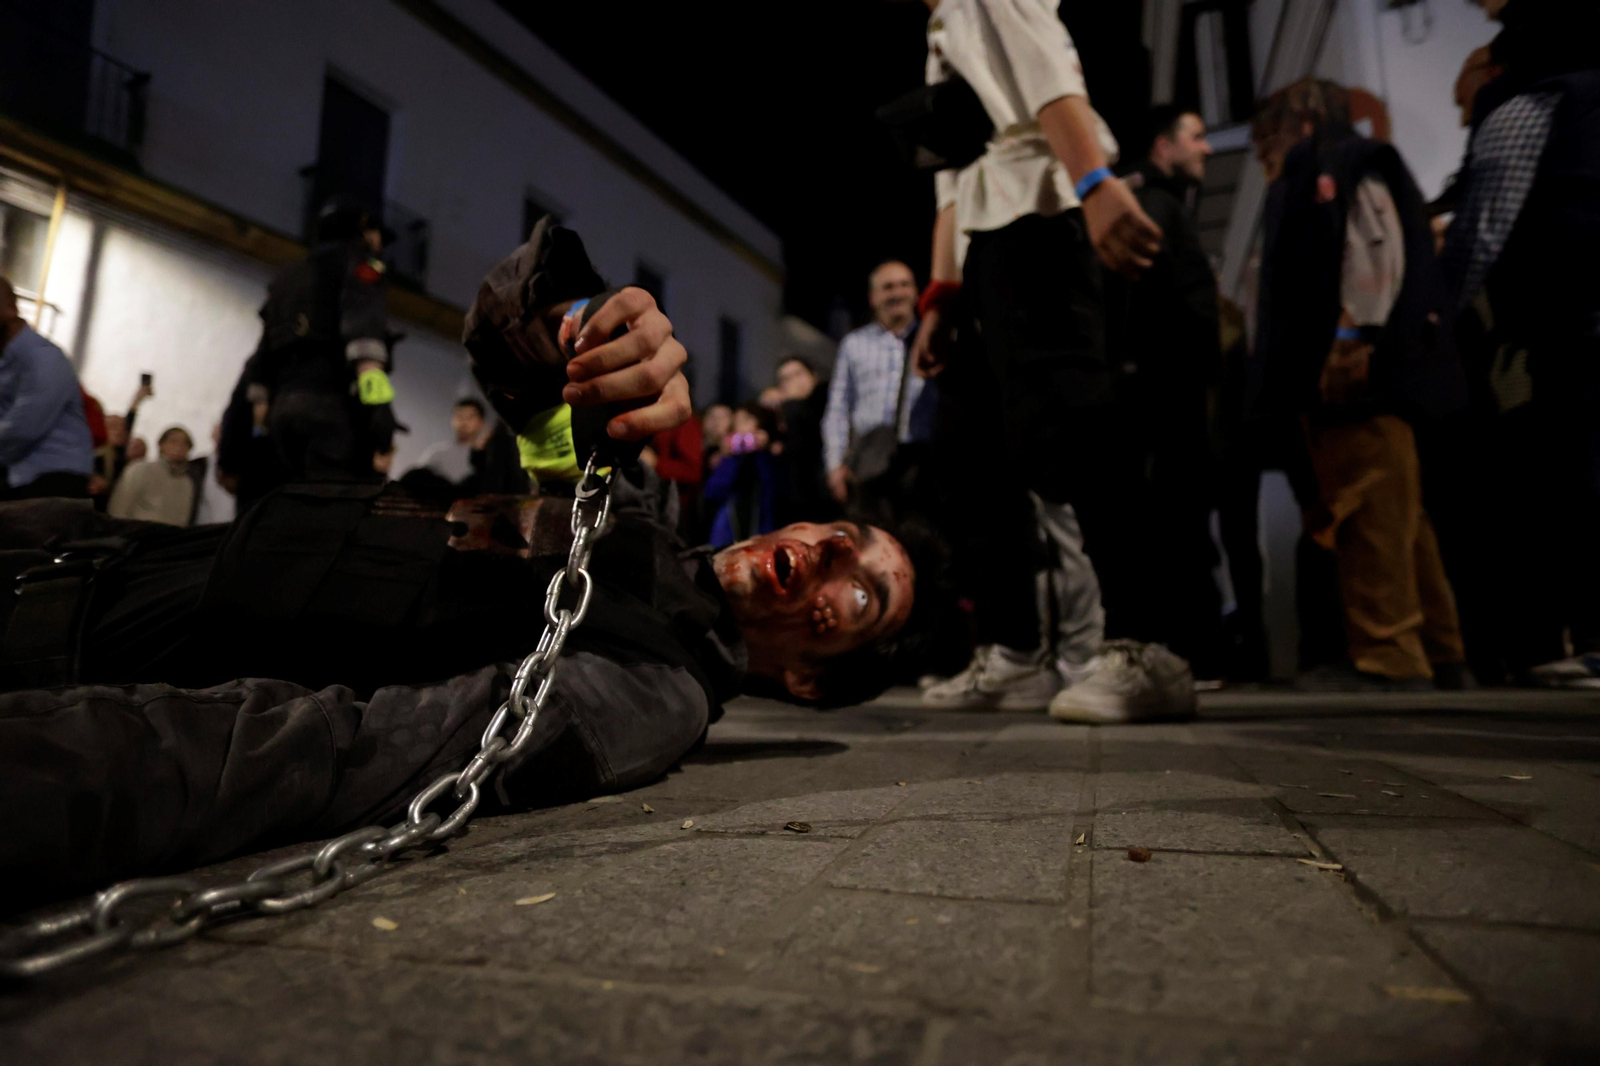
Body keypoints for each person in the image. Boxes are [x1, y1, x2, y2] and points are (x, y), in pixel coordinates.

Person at [0, 222, 922, 906]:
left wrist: (53, 769)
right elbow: (505, 333)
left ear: (807, 677)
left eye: (865, 591)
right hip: (84, 541)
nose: (838, 548)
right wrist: (584, 325)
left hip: (78, 647)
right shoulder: (631, 512)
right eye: (847, 531)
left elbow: (339, 752)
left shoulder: (655, 694)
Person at [904, 0, 1192, 721]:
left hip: (1041, 213)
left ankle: (1146, 646)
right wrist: (941, 294)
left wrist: (1093, 183)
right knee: (967, 449)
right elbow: (953, 172)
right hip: (984, 238)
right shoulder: (940, 21)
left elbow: (1048, 73)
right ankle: (1013, 652)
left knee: (1072, 428)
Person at [1249, 79, 1469, 691]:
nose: (1263, 150)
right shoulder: (1349, 163)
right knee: (1400, 516)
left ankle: (1388, 656)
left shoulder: (1336, 164)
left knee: (1366, 510)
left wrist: (1351, 336)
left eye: (1269, 134)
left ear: (1303, 122)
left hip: (1355, 374)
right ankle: (1439, 650)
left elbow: (1371, 248)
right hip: (1375, 375)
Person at [1437, 17, 1600, 686]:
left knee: (1577, 474)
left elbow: (1482, 233)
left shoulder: (1523, 110)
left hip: (1570, 319)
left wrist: (1430, 315)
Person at [1099, 105, 1224, 676]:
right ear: (1162, 146)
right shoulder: (1152, 205)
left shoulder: (1156, 202)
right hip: (1162, 393)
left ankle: (1178, 648)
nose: (1208, 148)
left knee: (1170, 522)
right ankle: (1188, 650)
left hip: (1154, 388)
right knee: (1177, 521)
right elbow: (1153, 303)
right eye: (1195, 137)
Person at [226, 199, 403, 485]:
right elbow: (363, 333)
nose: (380, 244)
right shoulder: (363, 264)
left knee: (289, 497)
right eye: (378, 235)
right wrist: (379, 403)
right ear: (365, 231)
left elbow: (262, 356)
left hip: (282, 411)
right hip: (331, 406)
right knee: (333, 499)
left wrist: (252, 428)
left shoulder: (286, 277)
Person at [821, 261, 929, 505]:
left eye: (904, 285)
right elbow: (838, 407)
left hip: (924, 460)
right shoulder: (854, 344)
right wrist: (835, 464)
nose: (897, 293)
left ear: (915, 292)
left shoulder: (930, 337)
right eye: (888, 287)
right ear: (873, 297)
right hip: (870, 461)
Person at [0, 277, 94, 500]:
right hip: (20, 476)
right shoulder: (6, 361)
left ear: (11, 309)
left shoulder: (43, 357)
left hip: (53, 480)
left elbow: (24, 428)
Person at [704, 402, 788, 547]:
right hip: (729, 533)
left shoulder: (770, 457)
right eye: (736, 422)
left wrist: (765, 448)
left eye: (746, 420)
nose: (739, 427)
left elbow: (775, 491)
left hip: (762, 533)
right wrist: (728, 457)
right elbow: (713, 492)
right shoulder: (729, 458)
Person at [774, 355, 834, 523]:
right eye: (786, 379)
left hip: (824, 499)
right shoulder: (781, 414)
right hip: (794, 504)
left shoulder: (828, 399)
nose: (793, 382)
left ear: (813, 376)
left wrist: (792, 404)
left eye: (798, 374)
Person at [106, 425, 196, 526]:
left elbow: (183, 519)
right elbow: (119, 506)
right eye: (173, 441)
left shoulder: (187, 483)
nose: (179, 447)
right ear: (161, 444)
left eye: (184, 443)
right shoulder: (140, 469)